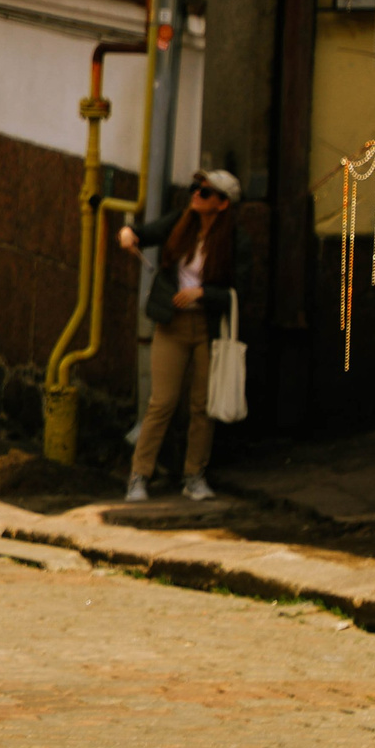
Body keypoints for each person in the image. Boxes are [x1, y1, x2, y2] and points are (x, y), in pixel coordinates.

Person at [118, 169, 242, 502]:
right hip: (172, 325)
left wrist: (202, 293)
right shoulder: (181, 221)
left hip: (207, 328)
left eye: (205, 192)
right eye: (196, 188)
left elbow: (236, 291)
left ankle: (194, 476)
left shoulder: (231, 240)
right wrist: (129, 234)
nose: (196, 194)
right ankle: (138, 476)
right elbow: (145, 233)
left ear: (222, 204)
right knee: (162, 402)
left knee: (202, 406)